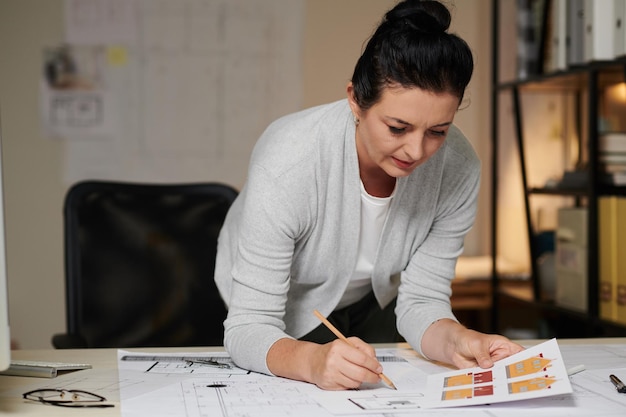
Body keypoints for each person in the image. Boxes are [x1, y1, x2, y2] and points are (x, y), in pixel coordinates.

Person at [215, 0, 524, 391]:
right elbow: (248, 326)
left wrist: (464, 340)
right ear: (355, 100)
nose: (416, 151)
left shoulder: (459, 168)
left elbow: (423, 303)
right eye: (398, 127)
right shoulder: (289, 159)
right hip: (276, 306)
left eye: (438, 131)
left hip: (373, 299)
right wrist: (312, 360)